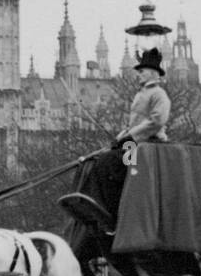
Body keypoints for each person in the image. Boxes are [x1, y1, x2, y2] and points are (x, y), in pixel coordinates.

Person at [62, 47, 172, 233]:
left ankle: (113, 213)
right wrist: (121, 137)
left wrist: (131, 136)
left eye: (142, 71)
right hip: (134, 144)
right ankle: (88, 201)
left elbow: (156, 121)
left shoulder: (159, 94)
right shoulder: (141, 94)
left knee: (110, 164)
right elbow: (133, 124)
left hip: (150, 145)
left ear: (153, 73)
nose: (138, 75)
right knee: (94, 161)